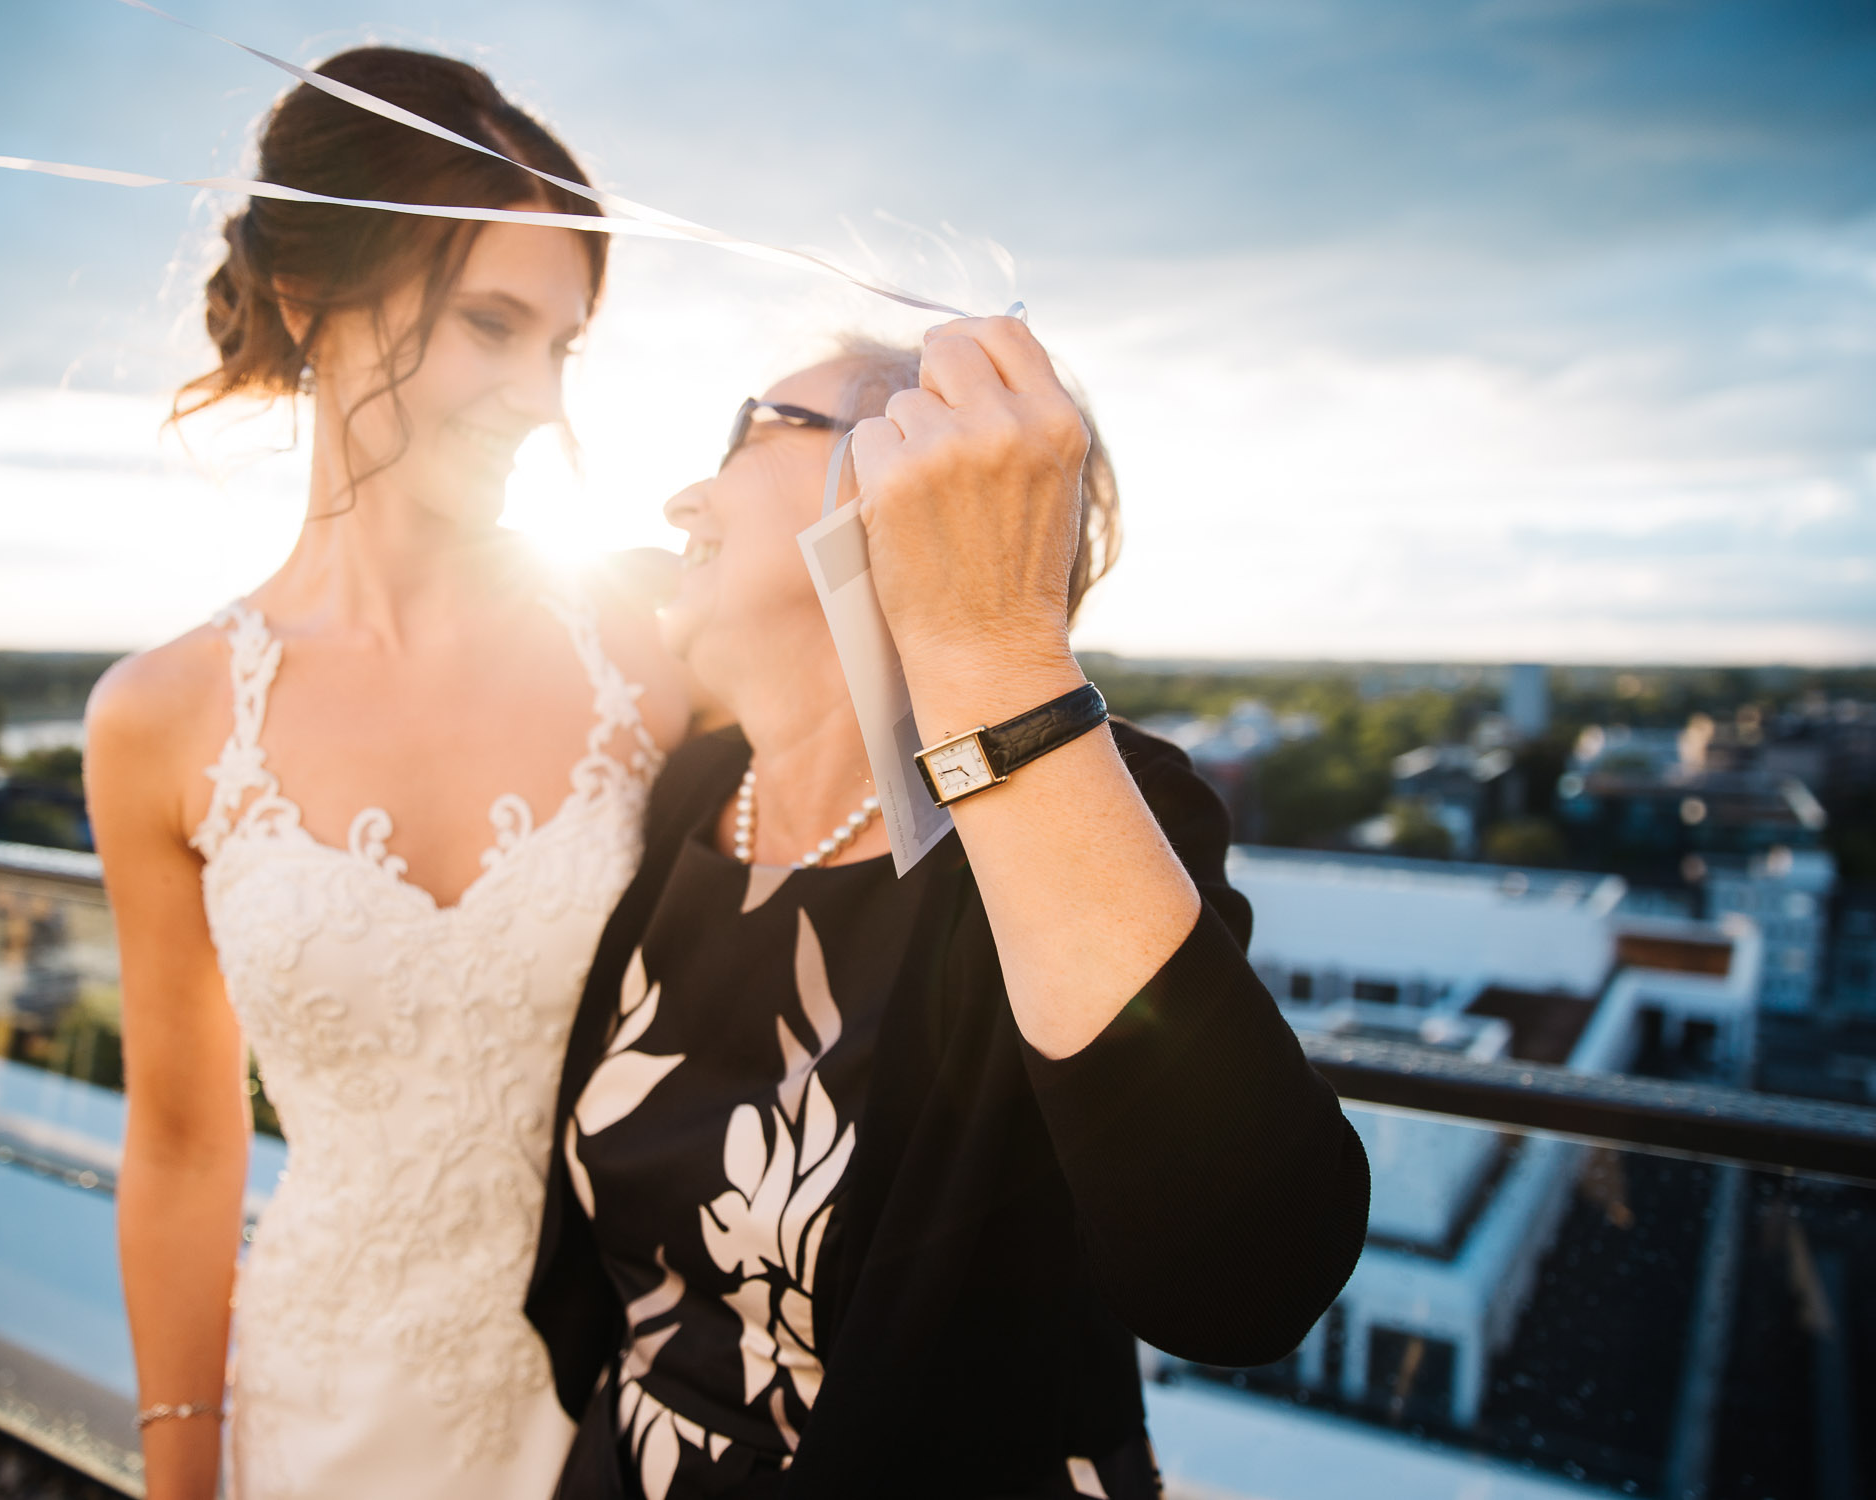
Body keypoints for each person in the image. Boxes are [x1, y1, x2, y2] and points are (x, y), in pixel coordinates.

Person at [527, 320, 1371, 1499]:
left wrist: (993, 648)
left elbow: (1244, 1280)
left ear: (894, 481)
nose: (681, 498)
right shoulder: (692, 796)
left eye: (746, 431)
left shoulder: (1086, 817)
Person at [83, 49, 692, 1500]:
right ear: (310, 302)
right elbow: (181, 1139)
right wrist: (183, 1469)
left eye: (561, 346)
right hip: (320, 1407)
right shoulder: (160, 719)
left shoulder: (648, 659)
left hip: (620, 1404)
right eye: (491, 324)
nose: (537, 396)